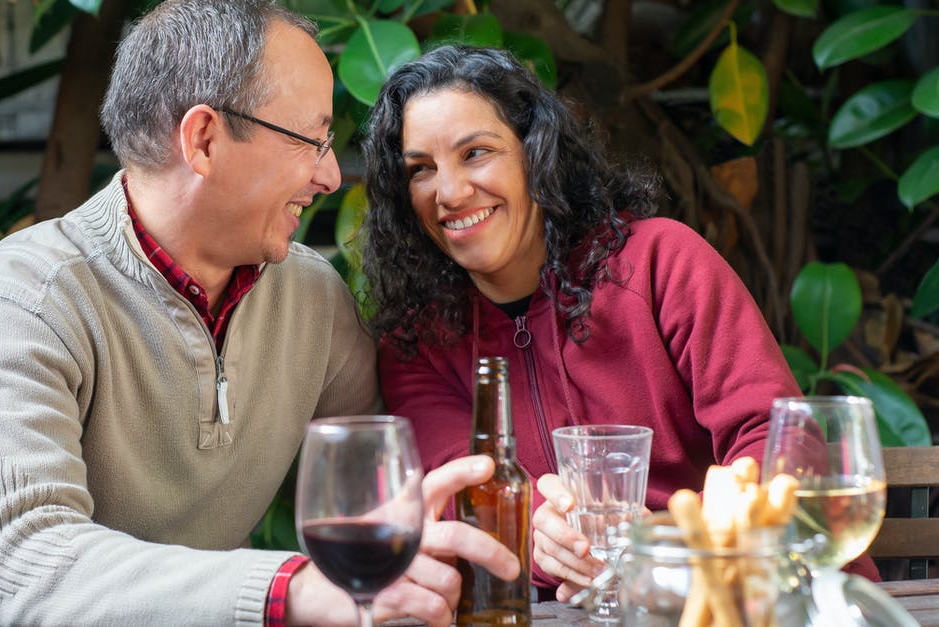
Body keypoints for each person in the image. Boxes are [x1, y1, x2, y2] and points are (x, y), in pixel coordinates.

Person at [0, 5, 517, 626]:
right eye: (312, 139)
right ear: (205, 140)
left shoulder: (310, 297)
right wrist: (291, 590)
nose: (330, 175)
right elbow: (28, 561)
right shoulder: (28, 297)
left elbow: (385, 473)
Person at [359, 45, 880, 603]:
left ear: (536, 154)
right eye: (421, 170)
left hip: (754, 596)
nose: (450, 192)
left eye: (476, 153)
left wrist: (661, 550)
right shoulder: (418, 338)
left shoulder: (662, 263)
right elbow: (465, 485)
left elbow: (780, 444)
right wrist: (539, 533)